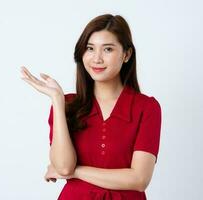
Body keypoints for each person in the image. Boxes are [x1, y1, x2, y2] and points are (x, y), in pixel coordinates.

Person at [20, 13, 162, 200]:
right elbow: (63, 166)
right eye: (90, 48)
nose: (97, 58)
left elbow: (139, 179)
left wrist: (76, 172)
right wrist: (57, 99)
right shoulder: (67, 104)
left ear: (126, 54)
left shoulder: (147, 108)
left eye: (108, 49)